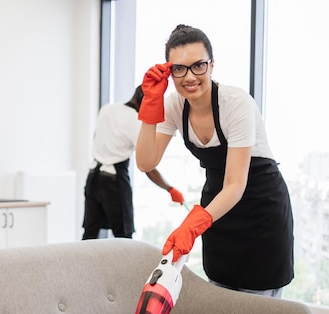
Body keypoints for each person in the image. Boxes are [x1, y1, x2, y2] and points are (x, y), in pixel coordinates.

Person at [135, 24, 294, 298]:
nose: (190, 77)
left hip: (259, 207)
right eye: (179, 69)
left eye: (198, 66)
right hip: (218, 212)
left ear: (211, 65)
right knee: (222, 303)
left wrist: (193, 223)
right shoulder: (174, 105)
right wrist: (151, 103)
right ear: (169, 71)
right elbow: (146, 161)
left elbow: (235, 183)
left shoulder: (236, 102)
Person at [82, 85, 185, 240]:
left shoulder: (107, 109)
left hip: (93, 178)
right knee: (124, 238)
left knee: (89, 235)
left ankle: (84, 265)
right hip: (114, 182)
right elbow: (148, 166)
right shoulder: (136, 122)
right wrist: (170, 189)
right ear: (145, 101)